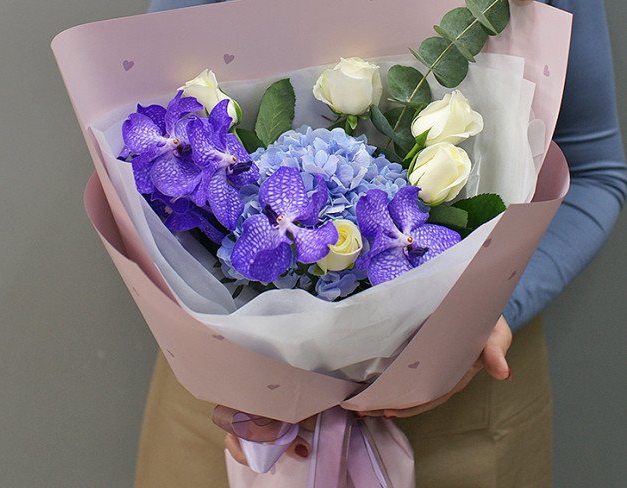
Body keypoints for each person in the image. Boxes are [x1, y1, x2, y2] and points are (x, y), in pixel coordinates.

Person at [136, 0, 627, 486]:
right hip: (235, 410)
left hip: (462, 412)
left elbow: (594, 172)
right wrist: (233, 362)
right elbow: (155, 152)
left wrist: (482, 322)